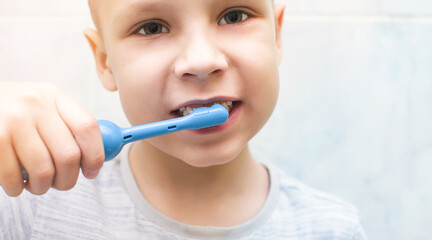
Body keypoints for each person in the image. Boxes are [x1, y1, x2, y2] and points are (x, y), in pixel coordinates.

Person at [0, 0, 367, 239]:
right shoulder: (29, 207)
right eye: (152, 27)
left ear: (277, 35)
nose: (201, 60)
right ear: (104, 61)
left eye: (234, 15)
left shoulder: (332, 229)